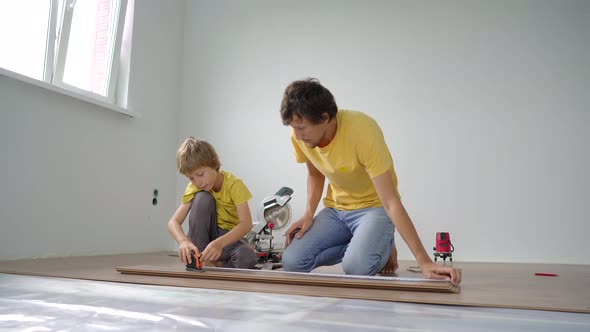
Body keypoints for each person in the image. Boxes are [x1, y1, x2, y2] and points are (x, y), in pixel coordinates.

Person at [280, 78, 461, 285]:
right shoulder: (299, 137)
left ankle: (381, 241)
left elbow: (391, 202)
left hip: (374, 209)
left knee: (356, 268)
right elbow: (314, 173)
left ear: (324, 118)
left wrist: (425, 262)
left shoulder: (363, 130)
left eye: (301, 127)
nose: (297, 134)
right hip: (336, 211)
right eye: (293, 127)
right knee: (292, 262)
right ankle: (369, 241)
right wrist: (309, 215)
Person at [167, 137, 257, 269]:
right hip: (201, 239)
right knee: (202, 198)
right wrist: (183, 241)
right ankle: (201, 258)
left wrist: (219, 244)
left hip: (226, 239)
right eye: (191, 178)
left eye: (200, 174)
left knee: (247, 256)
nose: (197, 182)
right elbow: (173, 222)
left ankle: (216, 264)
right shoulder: (195, 187)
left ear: (214, 164)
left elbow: (246, 224)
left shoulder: (234, 185)